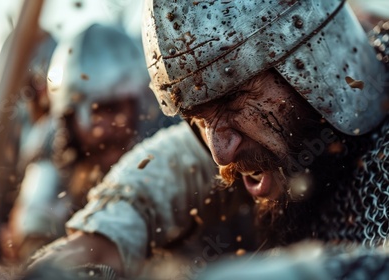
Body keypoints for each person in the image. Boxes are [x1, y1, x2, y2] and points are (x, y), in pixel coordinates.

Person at [25, 0, 389, 279]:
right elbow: (180, 163)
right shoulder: (295, 145)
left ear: (315, 66)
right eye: (198, 118)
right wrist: (103, 237)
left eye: (233, 99)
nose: (220, 154)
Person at [0, 23, 164, 262]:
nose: (110, 125)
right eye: (99, 110)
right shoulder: (49, 152)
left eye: (118, 107)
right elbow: (34, 238)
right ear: (70, 116)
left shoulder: (159, 144)